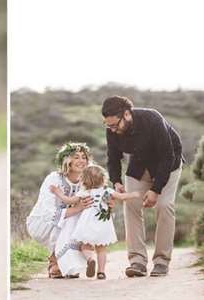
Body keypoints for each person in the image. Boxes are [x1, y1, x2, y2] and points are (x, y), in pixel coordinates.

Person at [102, 95, 183, 277]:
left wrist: (155, 190)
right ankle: (137, 262)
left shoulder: (152, 118)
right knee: (131, 206)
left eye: (115, 125)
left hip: (168, 166)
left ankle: (161, 262)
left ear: (127, 114)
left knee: (164, 205)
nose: (113, 130)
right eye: (109, 126)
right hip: (139, 167)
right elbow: (113, 158)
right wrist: (116, 182)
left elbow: (167, 156)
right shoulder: (112, 130)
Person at [50, 164, 139, 279]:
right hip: (102, 224)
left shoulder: (85, 192)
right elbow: (121, 197)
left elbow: (68, 201)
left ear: (84, 180)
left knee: (84, 246)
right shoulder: (107, 190)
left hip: (88, 224)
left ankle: (90, 259)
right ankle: (101, 272)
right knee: (101, 249)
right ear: (103, 179)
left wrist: (57, 192)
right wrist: (134, 194)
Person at [26, 142, 94, 278]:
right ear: (67, 161)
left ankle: (70, 265)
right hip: (42, 223)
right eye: (76, 157)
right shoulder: (54, 179)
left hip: (68, 223)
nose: (81, 161)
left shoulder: (87, 182)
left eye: (84, 157)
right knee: (70, 218)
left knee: (82, 217)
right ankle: (55, 262)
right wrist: (78, 208)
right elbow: (49, 213)